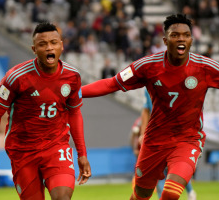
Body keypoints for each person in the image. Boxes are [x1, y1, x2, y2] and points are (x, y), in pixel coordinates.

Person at [82, 14, 211, 200]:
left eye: (186, 34)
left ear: (191, 39)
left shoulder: (205, 68)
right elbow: (112, 83)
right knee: (140, 195)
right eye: (175, 35)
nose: (181, 38)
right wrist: (76, 92)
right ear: (166, 41)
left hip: (187, 139)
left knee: (170, 193)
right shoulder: (148, 66)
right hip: (154, 142)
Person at [0, 22, 91, 200]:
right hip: (23, 150)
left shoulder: (72, 76)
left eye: (53, 42)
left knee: (62, 197)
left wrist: (82, 154)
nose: (49, 47)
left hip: (56, 146)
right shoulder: (16, 77)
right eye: (42, 44)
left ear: (61, 45)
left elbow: (74, 113)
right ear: (34, 49)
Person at [137, 89, 197, 200]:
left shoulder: (177, 82)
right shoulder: (148, 86)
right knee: (159, 171)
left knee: (175, 169)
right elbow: (146, 110)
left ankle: (190, 191)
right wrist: (143, 134)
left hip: (176, 135)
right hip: (157, 136)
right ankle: (188, 192)